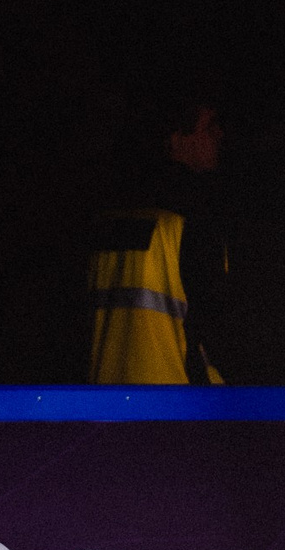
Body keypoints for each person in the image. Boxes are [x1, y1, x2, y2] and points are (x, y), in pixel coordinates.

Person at [89, 84, 226, 384]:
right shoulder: (195, 213)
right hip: (177, 399)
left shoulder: (107, 208)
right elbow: (216, 317)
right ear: (177, 138)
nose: (219, 135)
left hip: (100, 394)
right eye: (209, 127)